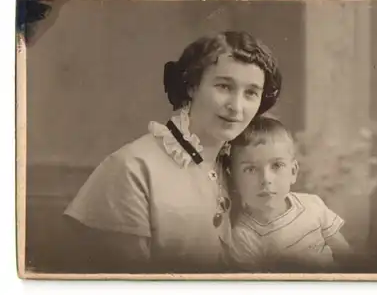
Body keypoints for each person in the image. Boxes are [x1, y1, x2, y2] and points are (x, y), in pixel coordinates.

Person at [62, 31, 282, 273]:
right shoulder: (132, 168)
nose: (236, 107)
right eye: (223, 86)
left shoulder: (243, 168)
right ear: (192, 86)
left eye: (251, 93)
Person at [226, 115, 351, 272]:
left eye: (277, 165)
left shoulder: (312, 205)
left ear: (293, 172)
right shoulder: (243, 236)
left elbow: (346, 255)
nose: (266, 179)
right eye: (250, 169)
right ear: (233, 177)